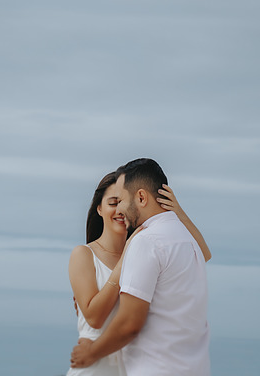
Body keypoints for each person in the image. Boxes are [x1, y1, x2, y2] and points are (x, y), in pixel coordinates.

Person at [70, 158, 212, 376]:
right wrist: (125, 260)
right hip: (98, 366)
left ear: (141, 198)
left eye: (123, 201)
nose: (120, 209)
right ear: (99, 209)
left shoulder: (145, 245)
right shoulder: (86, 253)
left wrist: (176, 212)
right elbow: (95, 318)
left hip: (127, 366)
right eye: (113, 202)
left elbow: (200, 254)